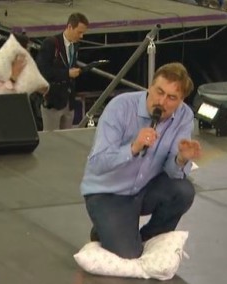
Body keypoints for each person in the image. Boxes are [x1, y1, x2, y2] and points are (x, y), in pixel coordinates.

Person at [80, 62, 202, 259]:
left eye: (172, 98)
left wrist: (181, 159)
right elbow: (98, 163)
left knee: (183, 190)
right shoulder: (120, 107)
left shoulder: (184, 116)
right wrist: (133, 147)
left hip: (144, 188)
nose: (162, 102)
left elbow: (172, 173)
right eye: (159, 91)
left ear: (181, 100)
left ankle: (145, 237)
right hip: (108, 192)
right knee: (128, 254)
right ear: (150, 86)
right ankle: (110, 231)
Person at [37, 12, 88, 131]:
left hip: (68, 102)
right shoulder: (50, 44)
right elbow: (43, 71)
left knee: (67, 139)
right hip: (53, 101)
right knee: (53, 141)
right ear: (70, 27)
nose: (81, 36)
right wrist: (67, 73)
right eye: (79, 32)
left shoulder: (75, 46)